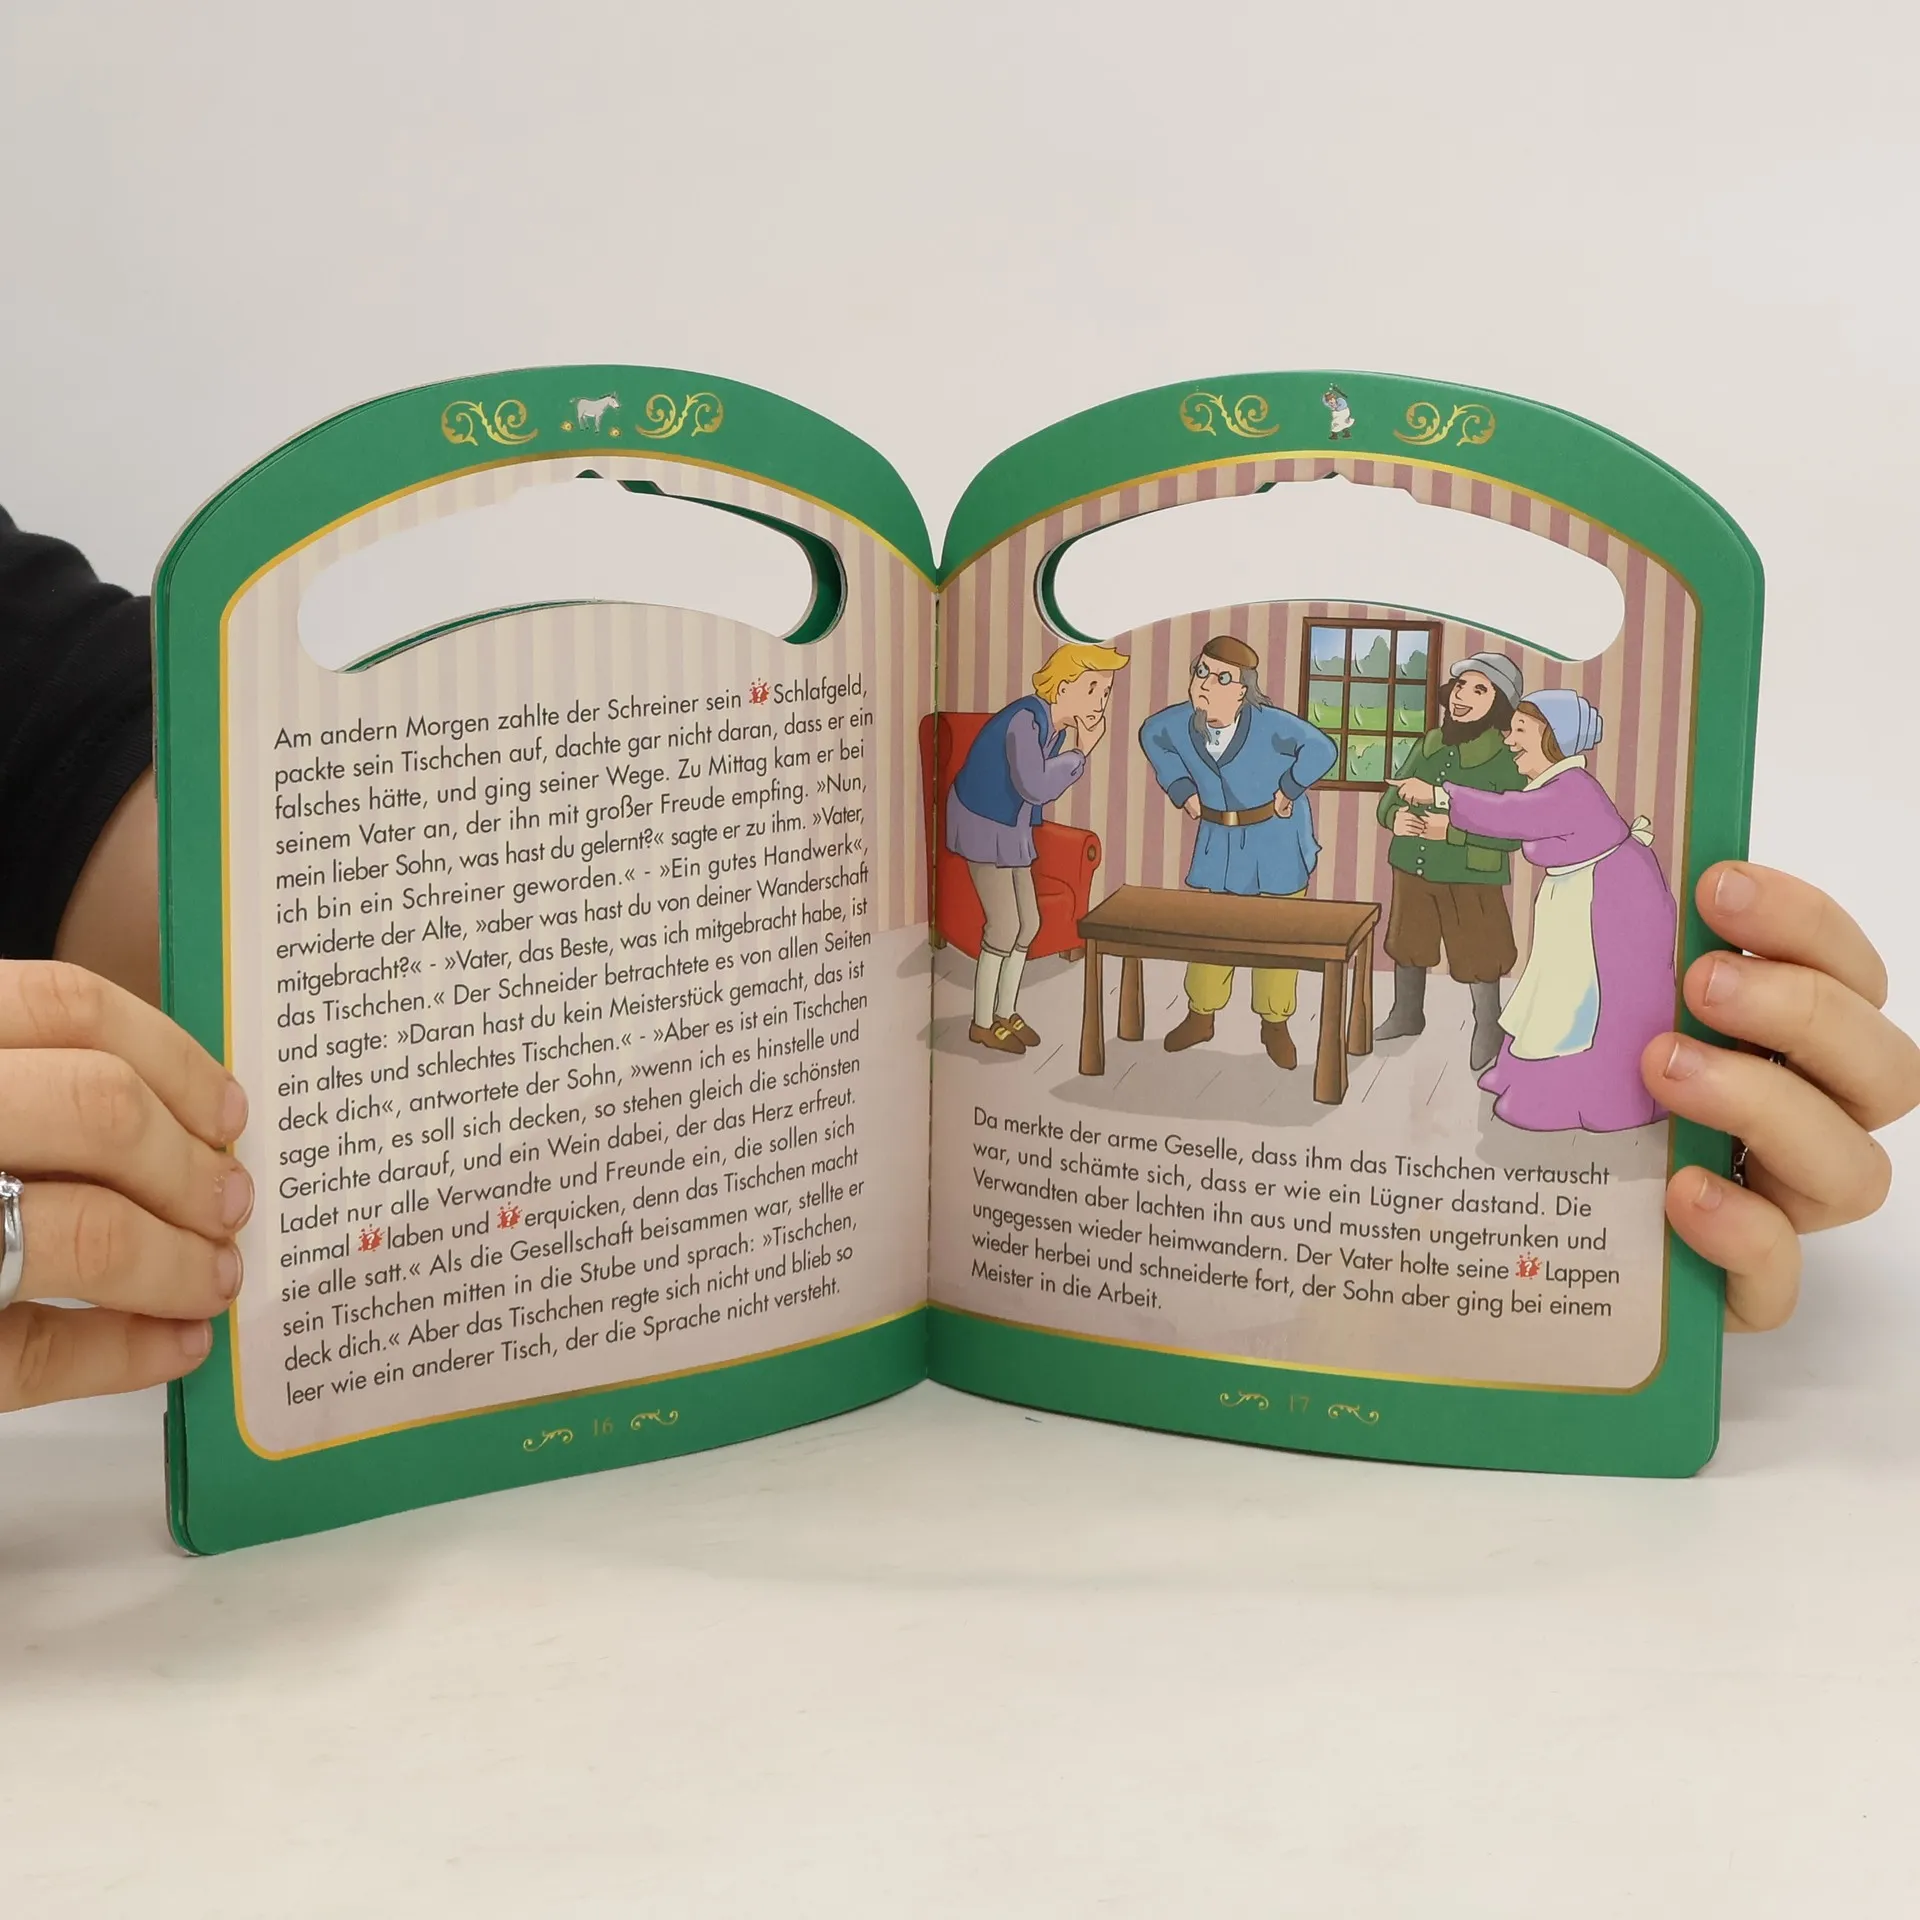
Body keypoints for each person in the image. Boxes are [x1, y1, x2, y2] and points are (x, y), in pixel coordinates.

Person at [0, 510, 1914, 1412]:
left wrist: (1601, 1158)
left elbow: (94, 784)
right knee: (1093, 952)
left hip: (1307, 878)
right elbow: (1103, 766)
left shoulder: (1336, 742)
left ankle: (1385, 1068)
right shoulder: (1123, 740)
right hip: (1165, 863)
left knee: (1361, 987)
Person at [1395, 687, 1675, 1131]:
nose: (1510, 740)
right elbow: (1518, 818)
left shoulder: (1572, 788)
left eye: (1520, 730)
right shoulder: (1556, 784)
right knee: (1554, 988)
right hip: (1582, 892)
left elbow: (1512, 814)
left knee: (1580, 996)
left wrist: (1441, 796)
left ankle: (1584, 1094)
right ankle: (1531, 1077)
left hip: (1609, 900)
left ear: (1551, 737)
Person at [1139, 635, 1338, 1068]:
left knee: (1276, 936)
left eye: (1222, 678)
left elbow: (1323, 749)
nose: (1206, 683)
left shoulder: (1269, 724)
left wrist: (1289, 788)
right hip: (1221, 843)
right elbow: (1150, 735)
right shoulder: (1179, 723)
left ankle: (1275, 1023)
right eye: (1202, 672)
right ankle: (1201, 1014)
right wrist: (1180, 788)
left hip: (1275, 841)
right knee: (1213, 930)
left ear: (1243, 690)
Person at [946, 640, 1128, 1052]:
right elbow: (1035, 784)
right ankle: (981, 1023)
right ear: (1062, 688)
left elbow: (1034, 792)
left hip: (1011, 828)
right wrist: (1082, 752)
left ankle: (1006, 1012)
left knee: (1028, 922)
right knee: (1004, 925)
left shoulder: (1054, 727)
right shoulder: (1025, 720)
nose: (1100, 701)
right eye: (1092, 689)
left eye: (1105, 691)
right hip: (981, 823)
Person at [1375, 651, 1528, 1070]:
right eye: (1461, 686)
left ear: (1498, 704)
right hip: (1413, 865)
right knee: (1409, 942)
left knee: (1481, 951)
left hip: (1471, 875)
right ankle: (1407, 1013)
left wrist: (1453, 832)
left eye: (1480, 690)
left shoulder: (1506, 757)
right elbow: (1390, 796)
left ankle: (1489, 1026)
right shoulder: (1430, 743)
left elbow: (1512, 831)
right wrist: (1395, 817)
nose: (1463, 697)